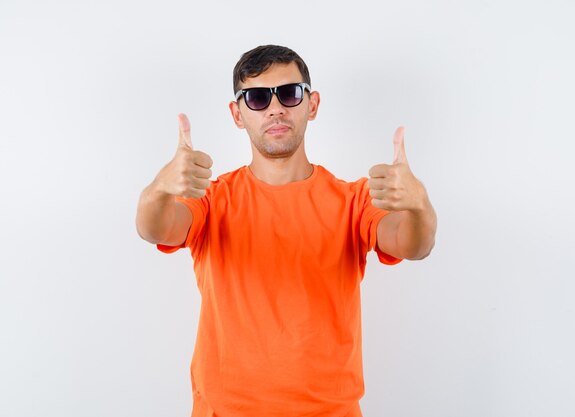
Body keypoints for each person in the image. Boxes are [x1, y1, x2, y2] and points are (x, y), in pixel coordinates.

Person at [136, 45, 437, 417]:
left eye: (290, 93)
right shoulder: (212, 200)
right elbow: (156, 228)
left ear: (312, 104)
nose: (276, 108)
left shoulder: (353, 199)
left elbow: (412, 243)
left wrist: (419, 205)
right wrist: (160, 189)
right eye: (258, 97)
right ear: (237, 113)